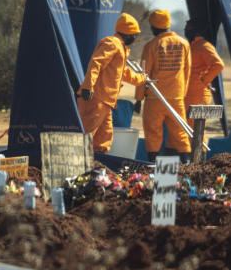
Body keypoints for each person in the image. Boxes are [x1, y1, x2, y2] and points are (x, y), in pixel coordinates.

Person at [77, 13, 147, 152]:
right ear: (127, 34)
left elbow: (123, 73)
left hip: (106, 101)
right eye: (134, 34)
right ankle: (76, 167)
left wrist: (142, 78)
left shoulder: (120, 47)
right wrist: (88, 86)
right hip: (96, 99)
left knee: (104, 138)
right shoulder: (112, 43)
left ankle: (98, 168)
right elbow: (96, 62)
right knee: (86, 135)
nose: (135, 38)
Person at [134, 9, 192, 162]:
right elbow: (187, 71)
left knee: (153, 134)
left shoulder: (152, 45)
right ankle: (187, 166)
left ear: (154, 27)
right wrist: (182, 94)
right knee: (180, 133)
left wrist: (139, 98)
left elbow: (143, 74)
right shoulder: (184, 43)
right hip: (176, 97)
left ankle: (152, 165)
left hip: (155, 98)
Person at [183, 19, 225, 128]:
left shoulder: (204, 45)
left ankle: (200, 146)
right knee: (187, 130)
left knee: (196, 132)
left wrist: (204, 80)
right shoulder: (191, 46)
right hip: (189, 94)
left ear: (195, 30)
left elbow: (218, 65)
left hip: (199, 95)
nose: (185, 31)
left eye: (187, 28)